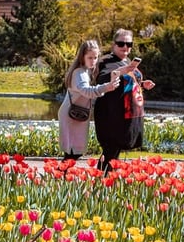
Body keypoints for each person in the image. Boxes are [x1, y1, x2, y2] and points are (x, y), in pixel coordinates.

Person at [93, 29, 156, 172]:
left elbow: (127, 84)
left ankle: (107, 184)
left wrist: (142, 84)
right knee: (110, 152)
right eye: (121, 43)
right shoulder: (106, 61)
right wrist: (123, 70)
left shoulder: (127, 61)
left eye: (129, 44)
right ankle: (101, 183)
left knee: (115, 154)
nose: (125, 47)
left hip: (126, 116)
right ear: (113, 45)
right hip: (111, 115)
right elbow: (102, 79)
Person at [57, 40, 114, 162]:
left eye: (95, 57)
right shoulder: (79, 73)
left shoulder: (85, 70)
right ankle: (60, 175)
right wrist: (106, 87)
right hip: (72, 115)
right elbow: (86, 91)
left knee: (73, 152)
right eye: (90, 58)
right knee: (73, 152)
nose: (93, 61)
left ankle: (61, 175)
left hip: (76, 113)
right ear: (82, 56)